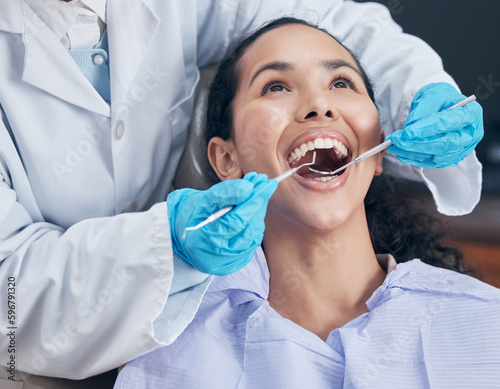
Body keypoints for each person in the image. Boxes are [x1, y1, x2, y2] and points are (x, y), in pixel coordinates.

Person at [0, 0, 484, 385]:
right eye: (276, 87)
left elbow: (330, 20)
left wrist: (419, 90)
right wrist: (164, 244)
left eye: (341, 82)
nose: (319, 104)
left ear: (381, 145)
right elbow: (12, 303)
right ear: (224, 160)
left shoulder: (482, 325)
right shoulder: (178, 362)